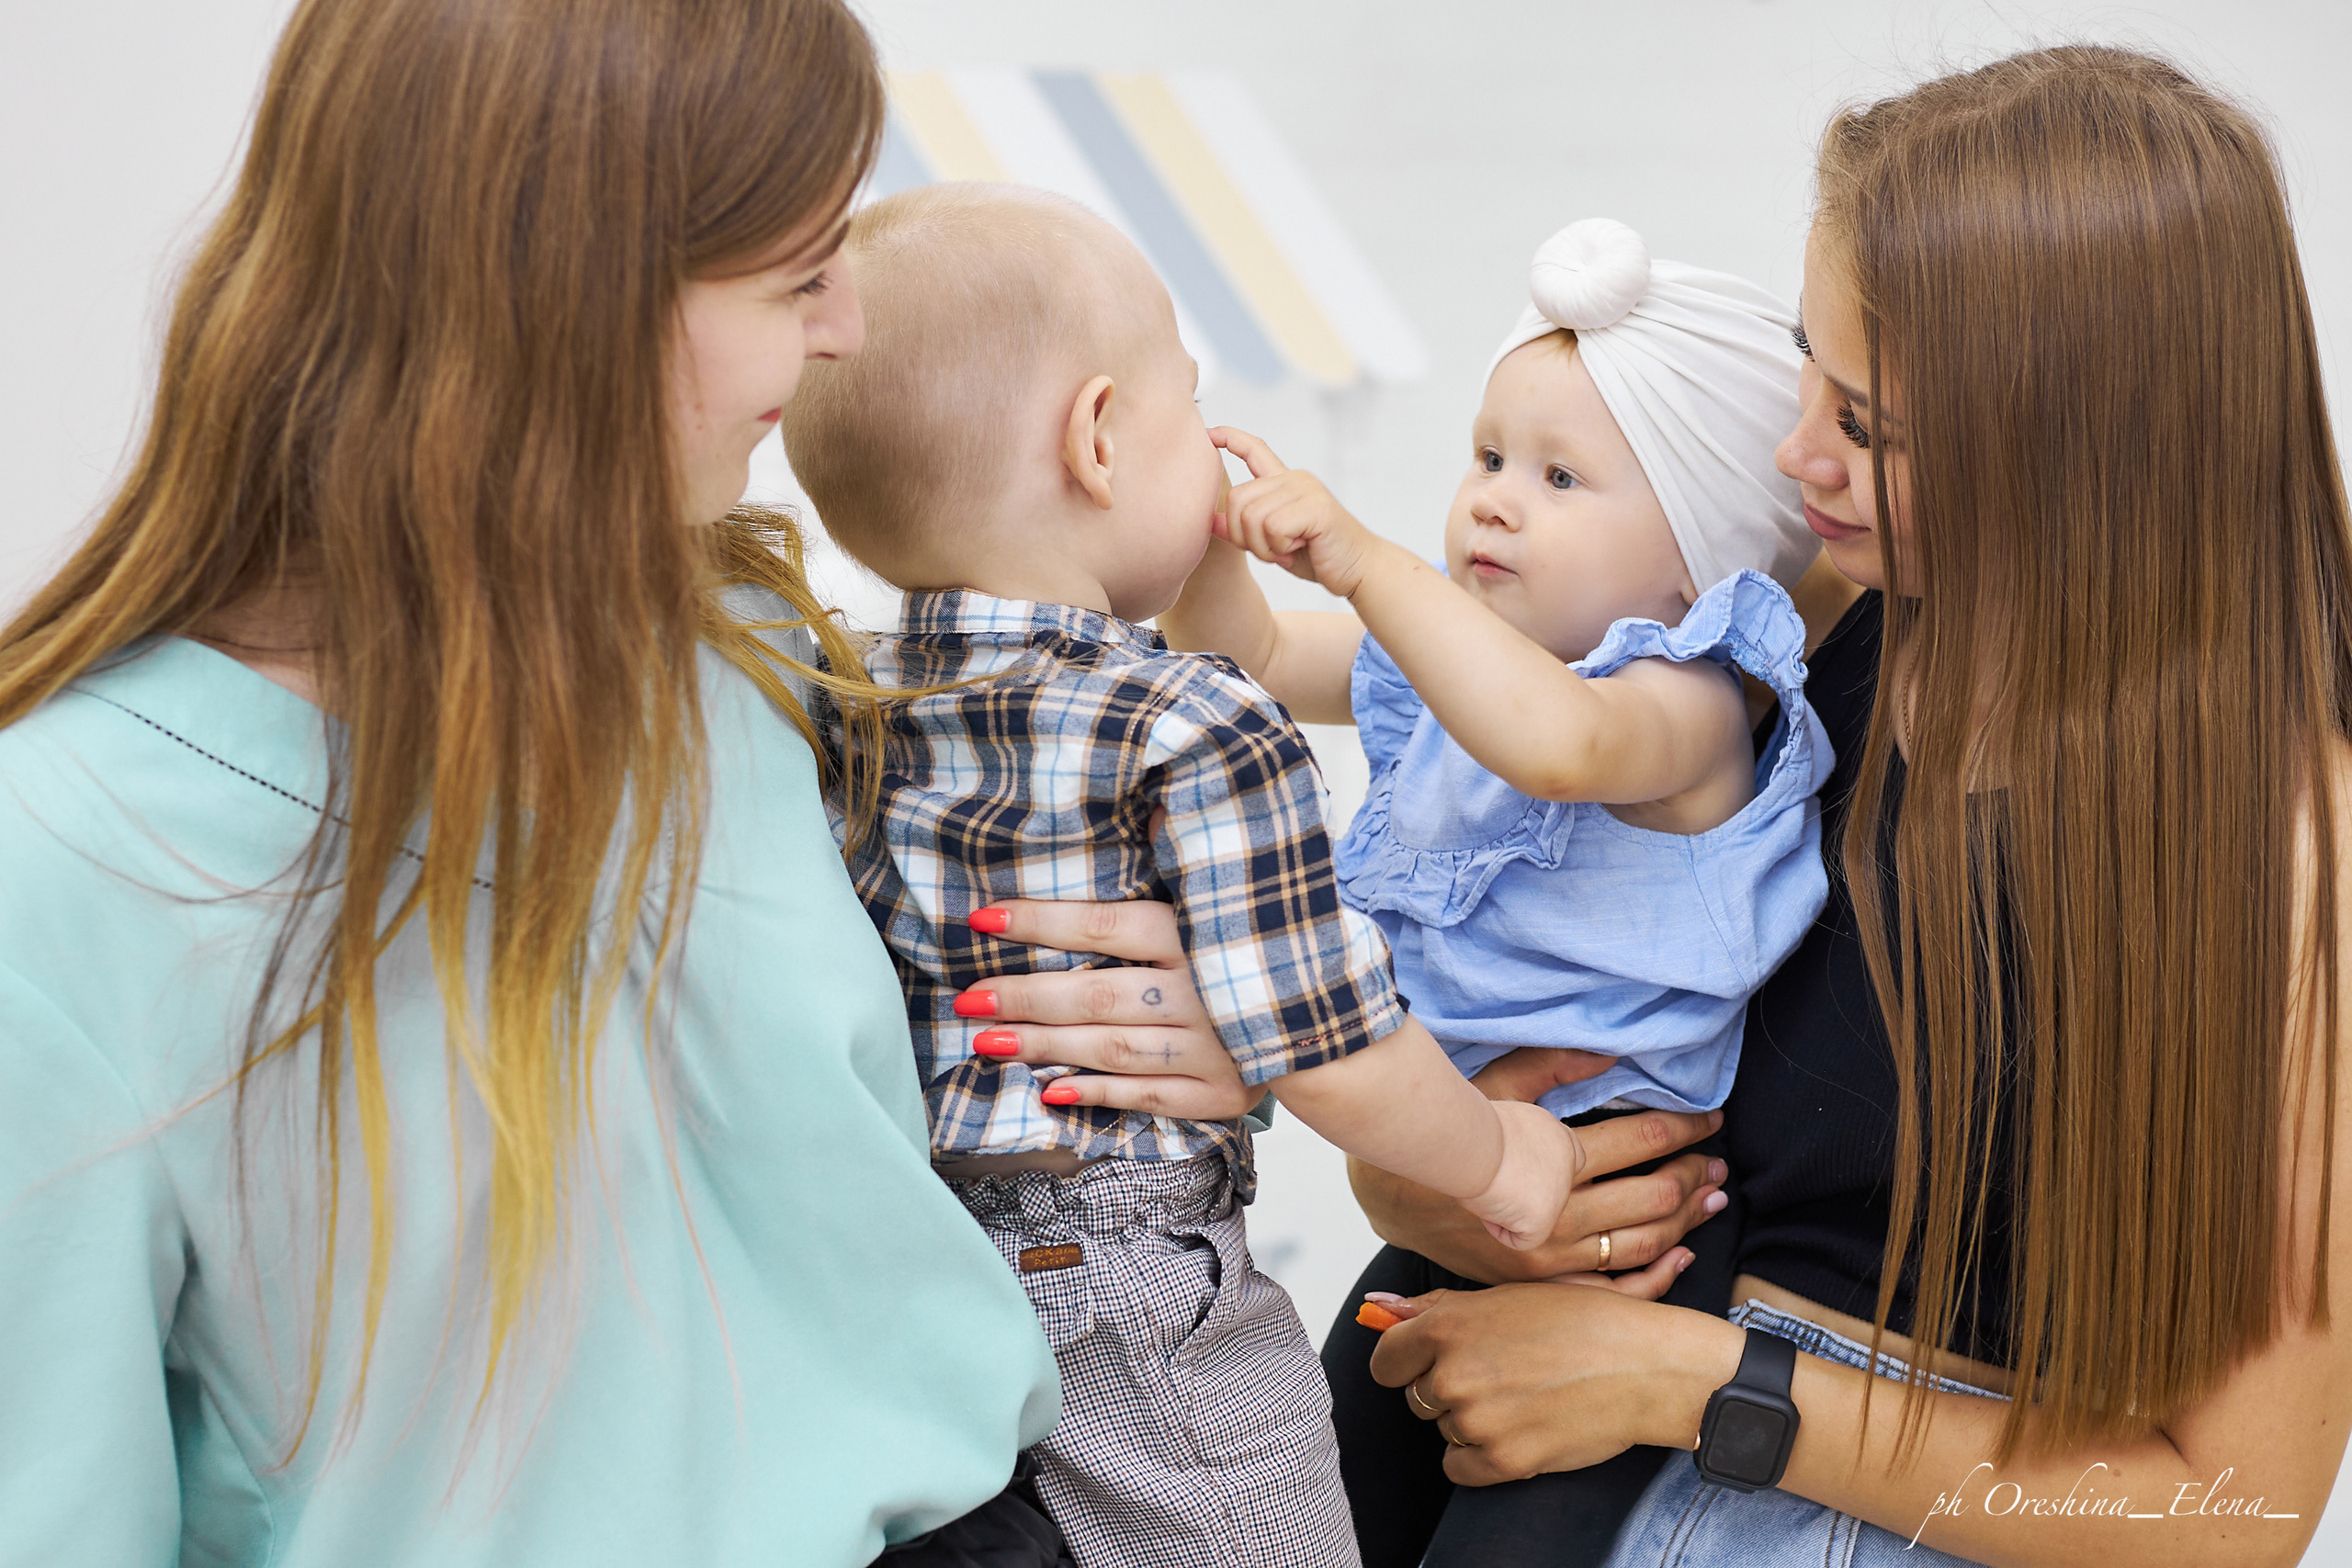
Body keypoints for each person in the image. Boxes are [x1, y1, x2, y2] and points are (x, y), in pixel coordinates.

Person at [0, 5, 1248, 1564]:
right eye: (796, 273)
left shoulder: (739, 661)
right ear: (568, 299)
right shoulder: (58, 869)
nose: (848, 322)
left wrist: (1184, 1039)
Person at [1349, 46, 2352, 1568]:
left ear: (2092, 444)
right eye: (1807, 369)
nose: (1792, 452)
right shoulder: (1807, 619)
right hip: (1502, 1440)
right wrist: (1443, 1178)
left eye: (1868, 423)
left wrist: (1698, 1382)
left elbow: (2236, 1516)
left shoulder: (2303, 864)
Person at [773, 182, 1581, 1568]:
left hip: (925, 1252)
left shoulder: (848, 697)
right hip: (1132, 1278)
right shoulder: (1192, 725)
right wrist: (1503, 1155)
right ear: (1098, 437)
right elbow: (1324, 1042)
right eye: (1186, 406)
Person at [1161, 218, 1835, 1564]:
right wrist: (1201, 530)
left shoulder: (1692, 702)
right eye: (1485, 457)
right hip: (1464, 1192)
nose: (1492, 500)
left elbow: (1558, 745)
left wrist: (1365, 560)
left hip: (1639, 1231)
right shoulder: (1458, 658)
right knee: (1311, 1513)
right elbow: (1241, 651)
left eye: (1561, 477)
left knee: (1516, 1543)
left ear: (1699, 556)